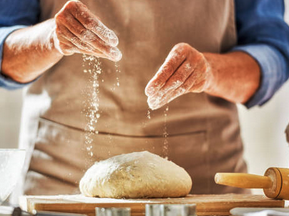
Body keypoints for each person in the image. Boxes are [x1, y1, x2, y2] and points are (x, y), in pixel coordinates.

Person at [0, 0, 289, 200]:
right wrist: (50, 38)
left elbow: (273, 53)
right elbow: (6, 53)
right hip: (61, 179)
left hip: (204, 186)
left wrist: (212, 72)